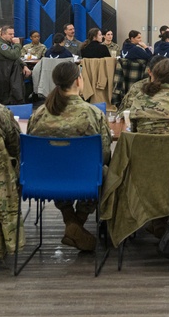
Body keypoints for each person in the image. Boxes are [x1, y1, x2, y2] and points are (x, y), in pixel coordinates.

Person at [27, 60, 111, 251]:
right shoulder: (93, 114)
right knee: (102, 170)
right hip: (85, 179)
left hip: (44, 178)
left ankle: (69, 220)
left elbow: (32, 153)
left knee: (57, 164)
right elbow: (104, 155)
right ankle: (77, 223)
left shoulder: (39, 114)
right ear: (78, 81)